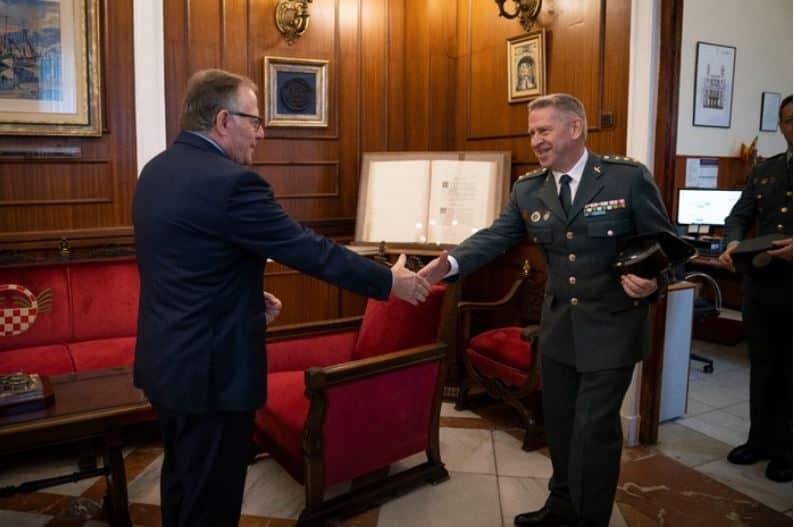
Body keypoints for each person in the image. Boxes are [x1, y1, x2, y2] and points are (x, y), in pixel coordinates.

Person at [132, 68, 430, 527]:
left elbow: (185, 269)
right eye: (254, 120)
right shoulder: (229, 183)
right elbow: (310, 250)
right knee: (211, 500)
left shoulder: (157, 170)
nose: (261, 132)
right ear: (224, 120)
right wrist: (390, 283)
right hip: (212, 376)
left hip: (167, 364)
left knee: (182, 481)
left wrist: (242, 300)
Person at [419, 93, 677, 527]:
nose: (535, 140)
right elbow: (496, 236)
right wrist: (450, 263)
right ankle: (561, 506)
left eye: (544, 130)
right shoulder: (529, 188)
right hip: (558, 332)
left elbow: (667, 244)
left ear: (574, 128)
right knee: (559, 426)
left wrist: (655, 281)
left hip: (612, 329)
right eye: (531, 132)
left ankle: (588, 519)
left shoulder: (625, 179)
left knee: (593, 433)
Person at [718, 94, 792, 483]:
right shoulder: (766, 170)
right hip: (762, 286)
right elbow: (738, 215)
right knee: (762, 366)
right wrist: (731, 242)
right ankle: (759, 440)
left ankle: (787, 451)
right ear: (780, 126)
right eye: (790, 120)